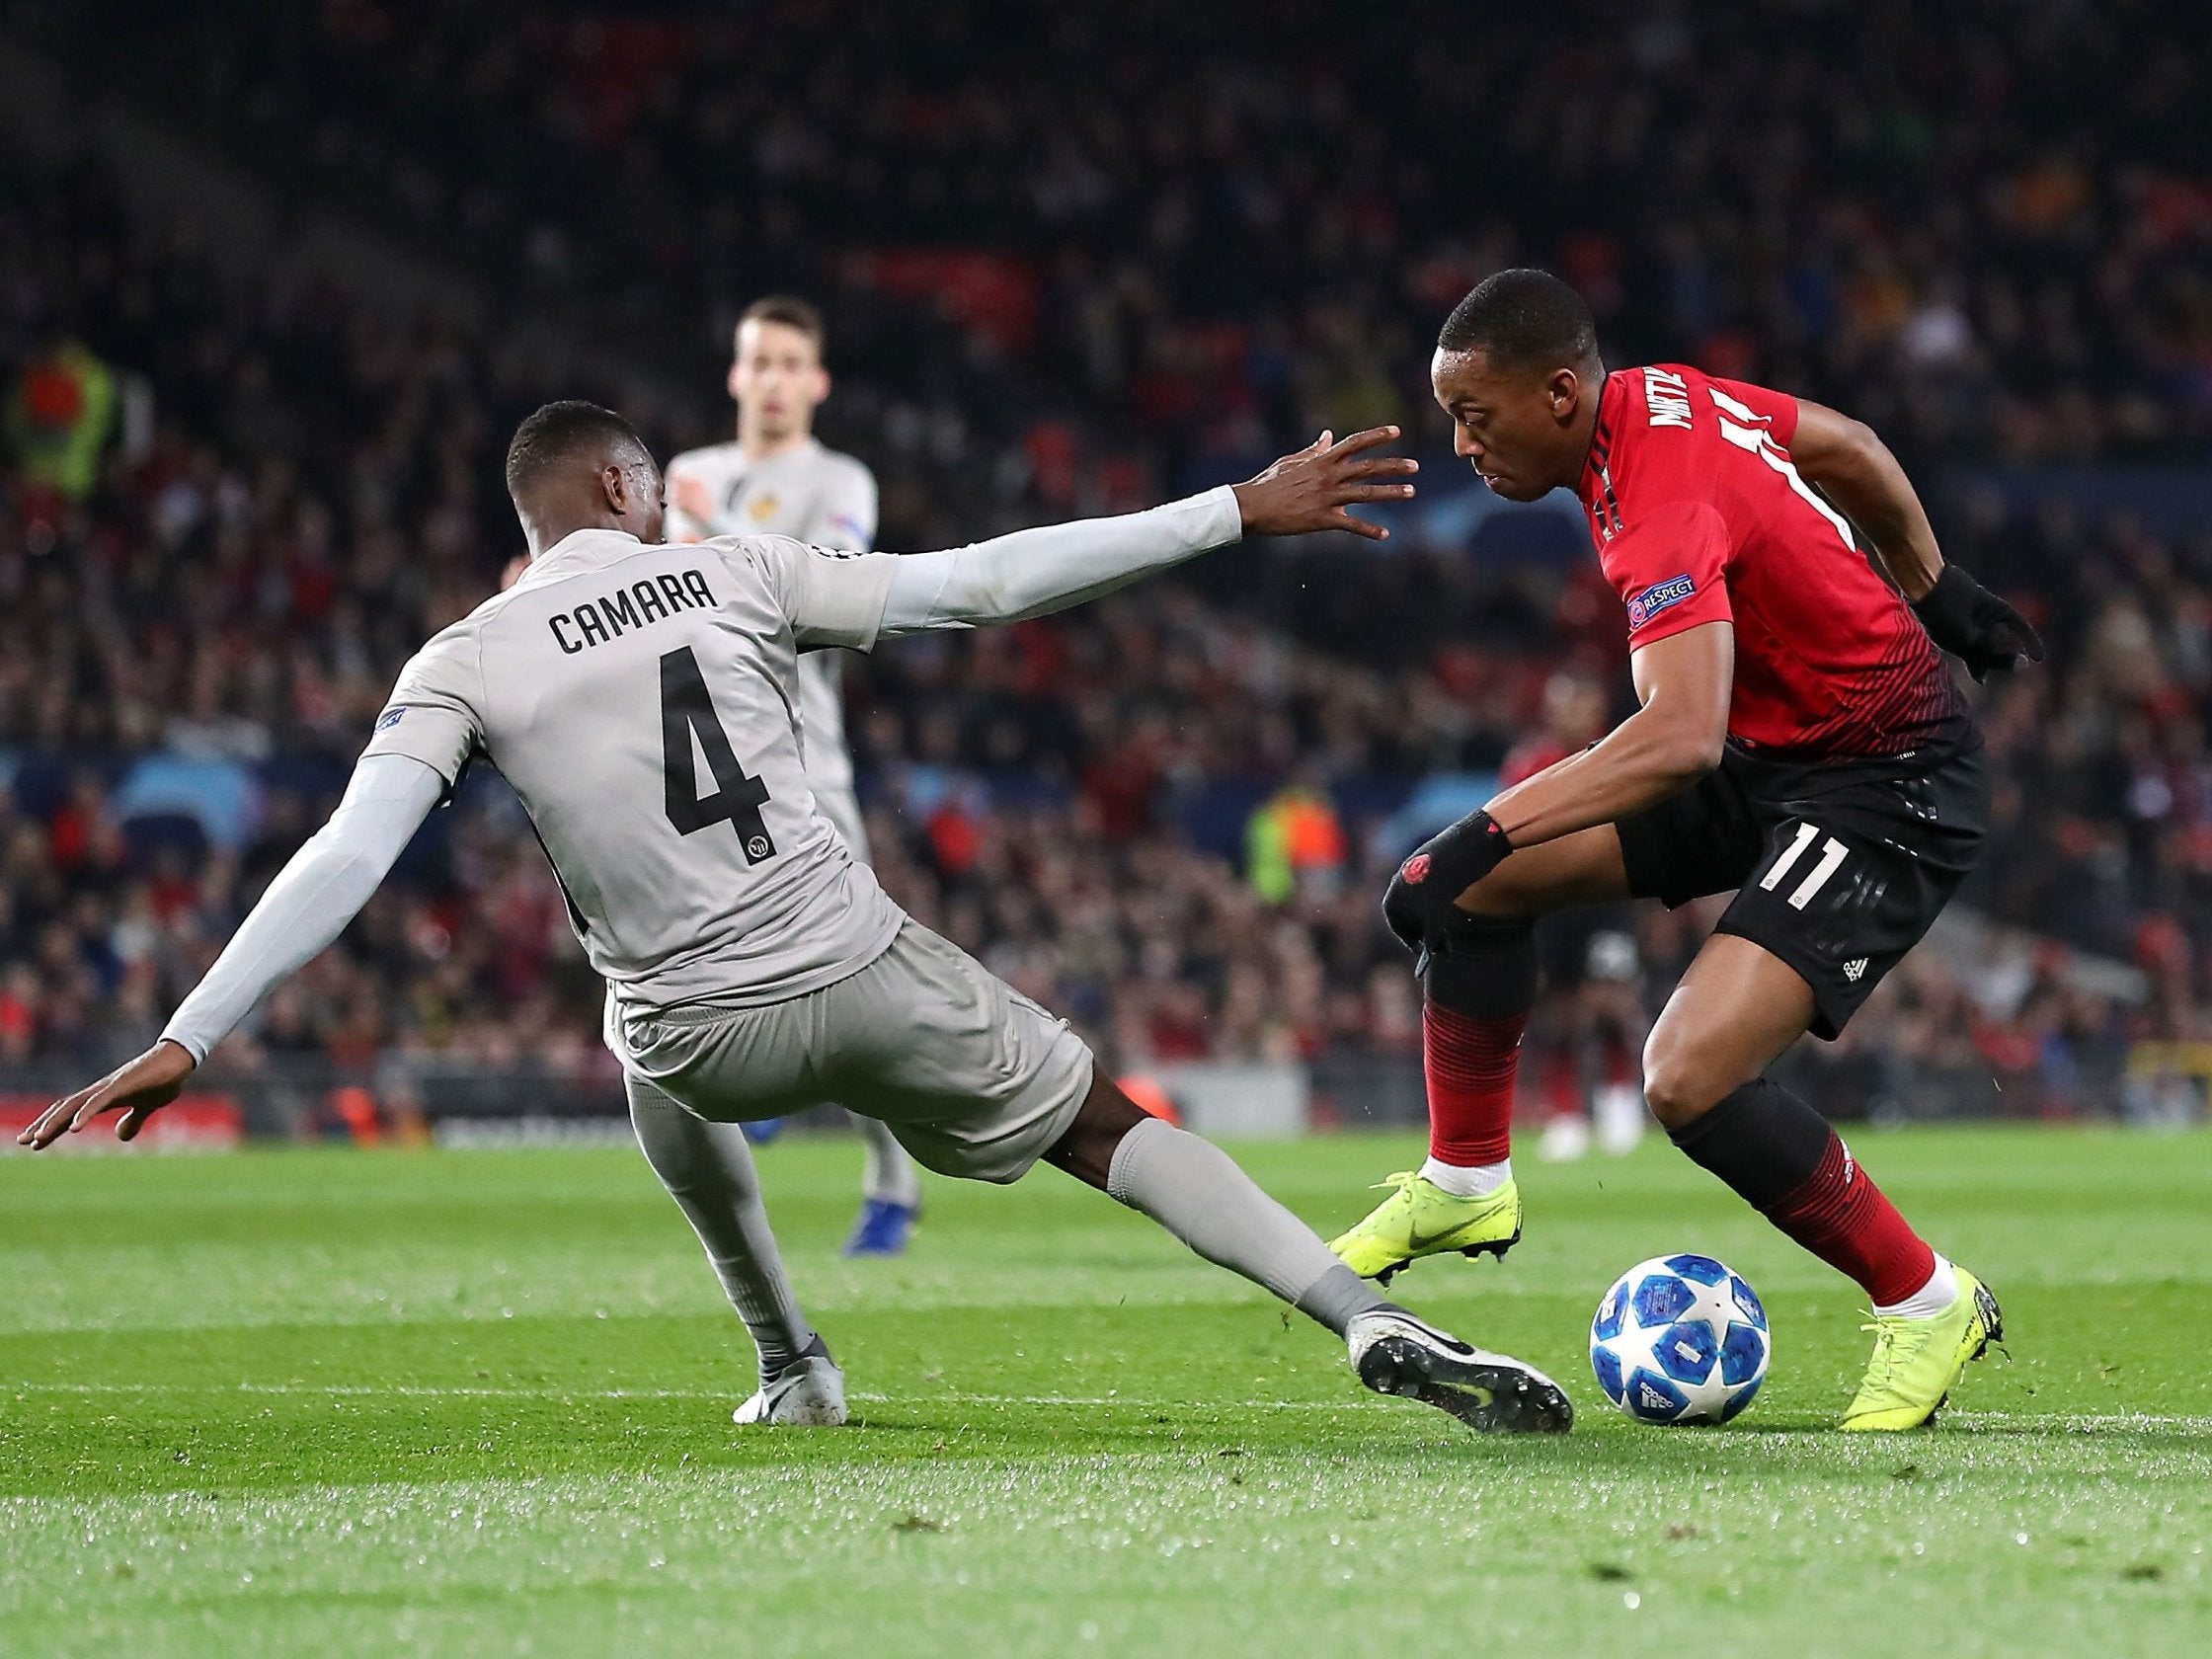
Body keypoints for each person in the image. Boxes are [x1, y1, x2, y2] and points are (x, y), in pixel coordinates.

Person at [22, 401, 1573, 1437]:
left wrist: (188, 1031)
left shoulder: (465, 660)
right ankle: (1360, 1317)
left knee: (642, 1050)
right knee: (1109, 1128)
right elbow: (983, 584)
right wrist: (1235, 508)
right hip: (856, 961)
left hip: (701, 1032)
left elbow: (349, 852)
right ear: (630, 491)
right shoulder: (732, 571)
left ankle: (792, 1365)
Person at [1330, 269, 2043, 1431]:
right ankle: (1465, 1181)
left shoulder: (1654, 504)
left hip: (1879, 781)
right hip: (1765, 754)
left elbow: (1674, 735)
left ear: (1559, 393)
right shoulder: (1659, 396)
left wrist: (1474, 828)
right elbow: (1850, 445)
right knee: (1484, 891)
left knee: (1685, 1074)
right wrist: (1937, 586)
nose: (1459, 443)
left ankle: (1925, 1302)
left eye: (1474, 414)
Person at [660, 295, 921, 1257]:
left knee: (851, 977)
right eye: (755, 362)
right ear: (733, 375)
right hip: (693, 764)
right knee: (694, 958)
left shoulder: (834, 478)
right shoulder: (685, 473)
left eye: (787, 364)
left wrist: (707, 524)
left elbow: (834, 576)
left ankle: (890, 1180)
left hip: (805, 766)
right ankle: (769, 1077)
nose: (769, 380)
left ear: (815, 382)